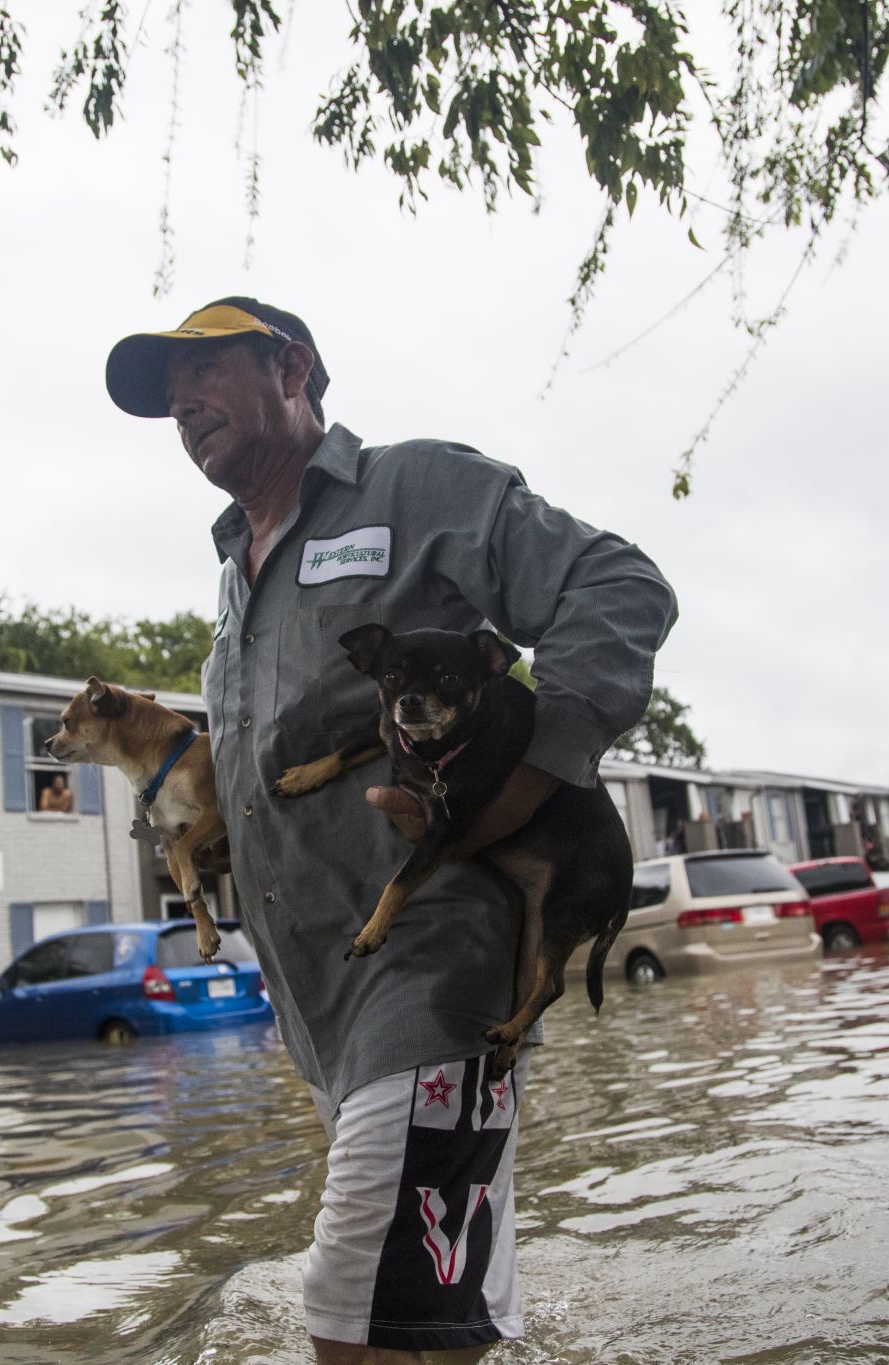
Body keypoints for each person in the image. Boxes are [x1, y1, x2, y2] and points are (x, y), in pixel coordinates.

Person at [106, 296, 677, 1362]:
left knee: (346, 1320)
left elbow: (619, 586)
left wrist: (525, 785)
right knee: (429, 1321)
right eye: (165, 400)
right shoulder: (234, 580)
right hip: (322, 1018)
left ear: (291, 368)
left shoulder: (412, 488)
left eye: (202, 373)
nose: (180, 406)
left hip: (433, 984)